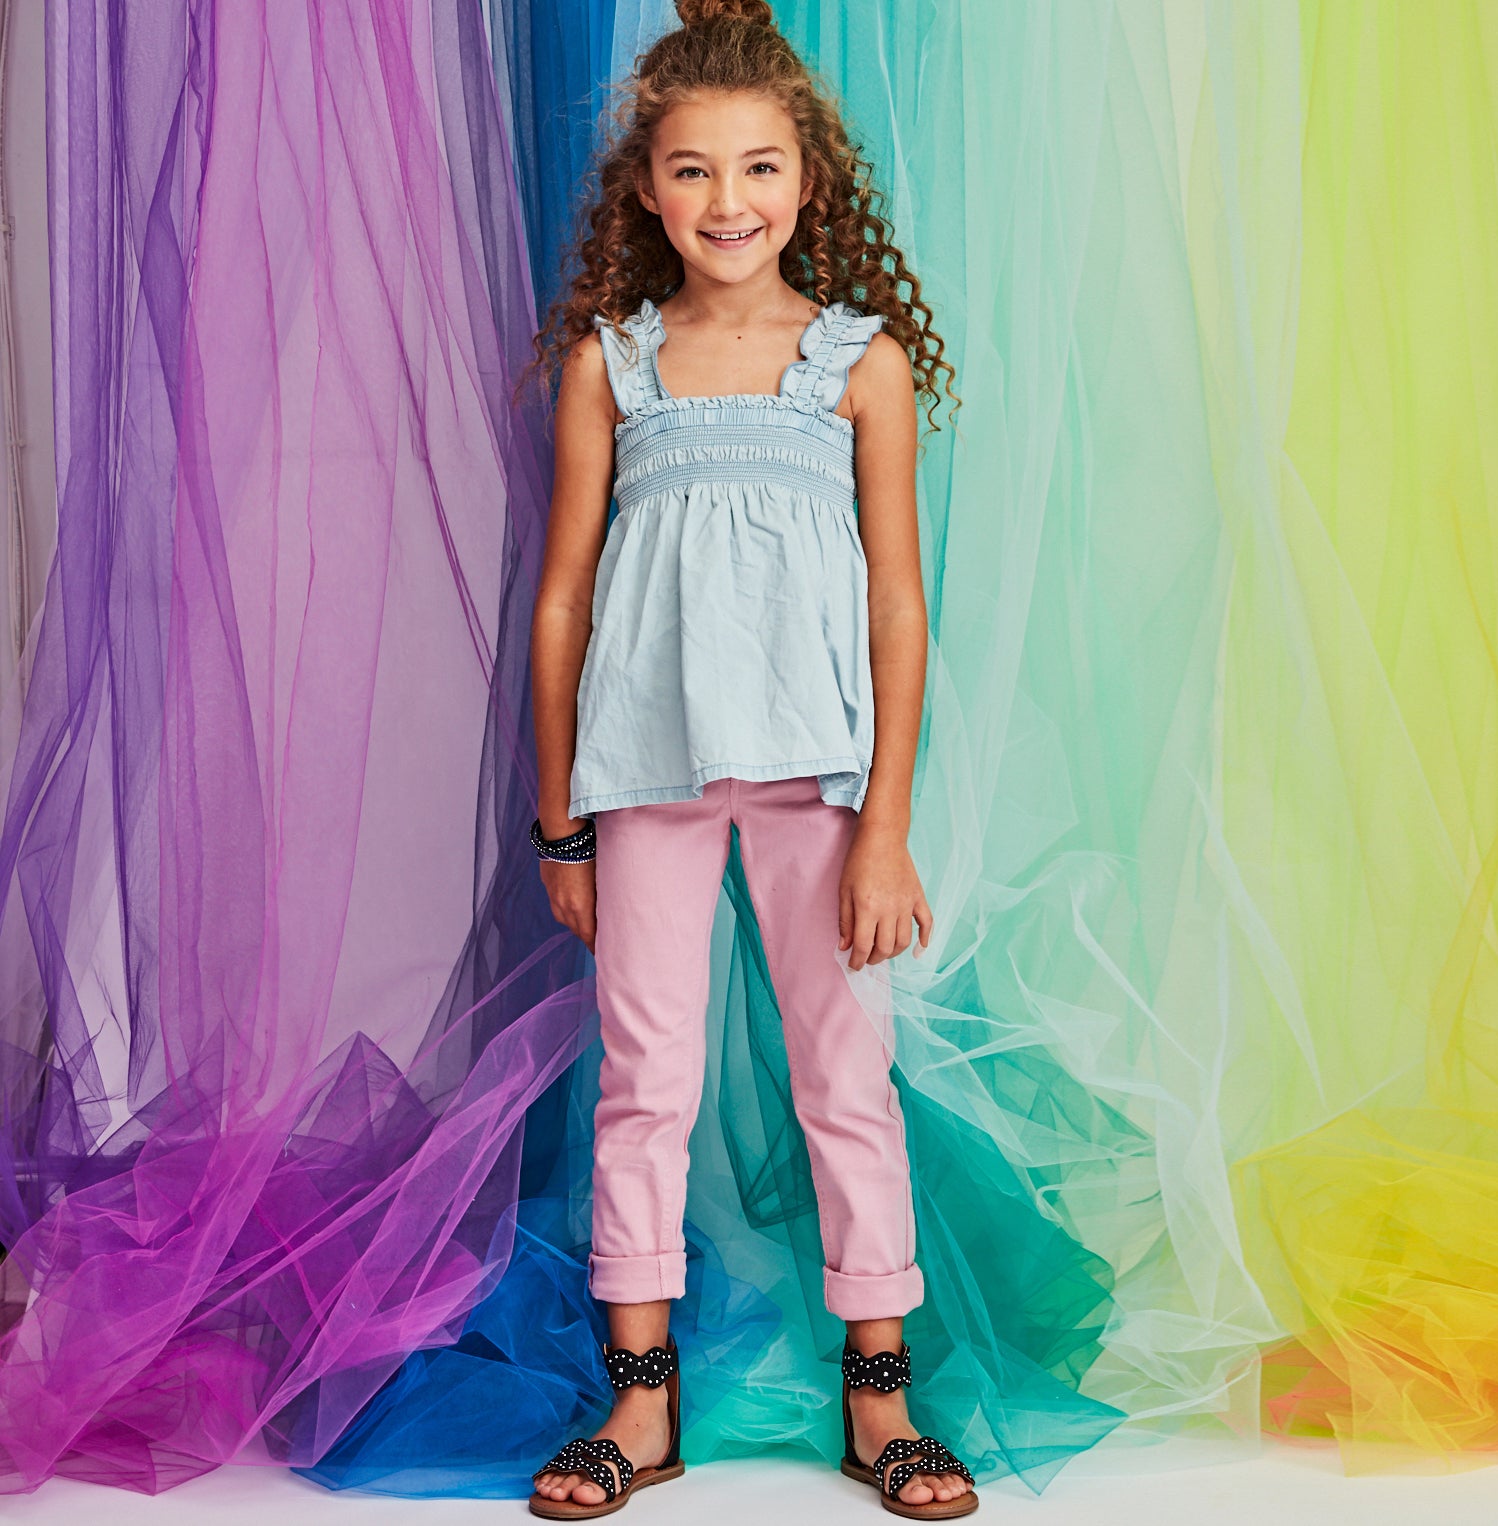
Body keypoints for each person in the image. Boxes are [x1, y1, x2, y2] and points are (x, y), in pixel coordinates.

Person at [524, 0, 971, 1516]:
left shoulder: (858, 364)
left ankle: (879, 1399)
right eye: (694, 170)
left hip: (820, 781)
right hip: (643, 776)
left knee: (846, 1074)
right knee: (643, 1081)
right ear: (647, 191)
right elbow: (564, 599)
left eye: (760, 167)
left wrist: (885, 824)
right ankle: (640, 1405)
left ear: (807, 181)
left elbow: (898, 600)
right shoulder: (615, 364)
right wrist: (559, 822)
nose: (730, 201)